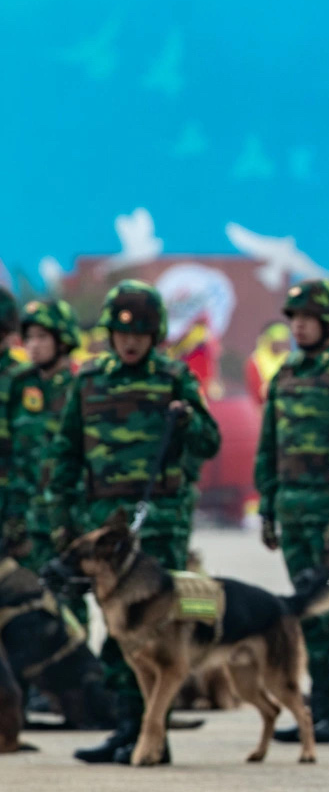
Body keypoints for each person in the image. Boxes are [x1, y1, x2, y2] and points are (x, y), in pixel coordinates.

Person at [51, 282, 221, 764]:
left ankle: (150, 732)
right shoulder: (88, 381)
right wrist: (61, 522)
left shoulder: (175, 377)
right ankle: (128, 725)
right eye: (123, 334)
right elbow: (65, 455)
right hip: (102, 527)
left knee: (156, 628)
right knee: (116, 628)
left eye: (141, 334)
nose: (130, 343)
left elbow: (210, 444)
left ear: (156, 335)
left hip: (159, 523)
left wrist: (187, 421)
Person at [254, 279, 329, 743]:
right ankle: (318, 708)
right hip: (293, 510)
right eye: (293, 318)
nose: (298, 325)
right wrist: (267, 506)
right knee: (307, 611)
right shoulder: (284, 374)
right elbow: (269, 446)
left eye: (307, 318)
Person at [0, 299, 85, 576]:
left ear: (62, 340)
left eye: (42, 337)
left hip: (66, 520)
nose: (33, 345)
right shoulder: (18, 384)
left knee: (68, 606)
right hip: (23, 522)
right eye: (28, 338)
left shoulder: (81, 388)